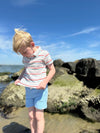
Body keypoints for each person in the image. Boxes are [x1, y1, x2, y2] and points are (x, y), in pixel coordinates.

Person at [13, 29, 56, 133]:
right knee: (31, 115)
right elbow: (26, 68)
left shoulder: (44, 54)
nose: (23, 55)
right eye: (21, 53)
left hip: (40, 91)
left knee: (38, 116)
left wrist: (45, 82)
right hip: (29, 90)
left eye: (24, 52)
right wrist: (19, 78)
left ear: (32, 44)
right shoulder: (25, 58)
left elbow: (52, 70)